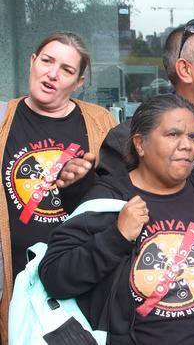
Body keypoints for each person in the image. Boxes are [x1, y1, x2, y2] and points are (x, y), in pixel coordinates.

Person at [56, 19, 194, 344]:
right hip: (171, 307)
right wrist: (75, 186)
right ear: (185, 69)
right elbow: (101, 209)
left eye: (192, 136)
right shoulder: (132, 137)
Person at [39, 94, 194, 344]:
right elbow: (54, 278)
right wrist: (116, 237)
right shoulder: (108, 201)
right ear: (140, 144)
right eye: (173, 135)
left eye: (192, 136)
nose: (187, 145)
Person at [0, 31, 116, 343]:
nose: (52, 73)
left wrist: (85, 183)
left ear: (78, 83)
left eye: (66, 70)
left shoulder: (100, 122)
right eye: (47, 61)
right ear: (32, 62)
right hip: (12, 280)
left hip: (79, 279)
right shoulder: (1, 118)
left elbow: (119, 194)